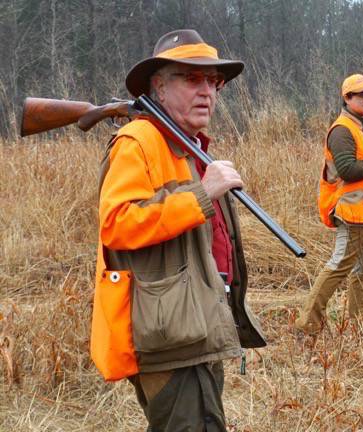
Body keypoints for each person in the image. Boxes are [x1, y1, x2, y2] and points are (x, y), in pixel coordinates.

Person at [90, 29, 266, 431]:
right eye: (191, 78)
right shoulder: (138, 141)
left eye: (213, 81)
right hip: (171, 336)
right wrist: (202, 195)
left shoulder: (185, 145)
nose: (207, 91)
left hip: (193, 326)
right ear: (159, 89)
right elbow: (117, 224)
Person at [295, 74, 363, 338]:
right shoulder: (342, 130)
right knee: (340, 266)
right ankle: (307, 325)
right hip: (352, 209)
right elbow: (348, 169)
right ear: (347, 98)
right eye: (360, 94)